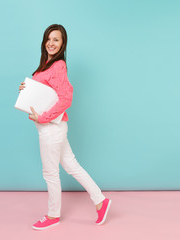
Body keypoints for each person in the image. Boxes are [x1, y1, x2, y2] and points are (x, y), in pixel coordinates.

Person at [19, 24, 112, 230]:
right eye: (48, 39)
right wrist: (27, 89)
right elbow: (44, 94)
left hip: (52, 128)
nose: (51, 43)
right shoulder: (46, 64)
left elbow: (66, 98)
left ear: (63, 44)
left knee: (50, 173)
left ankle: (53, 216)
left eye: (56, 40)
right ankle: (101, 201)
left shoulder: (58, 65)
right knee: (71, 166)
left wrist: (43, 118)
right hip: (53, 128)